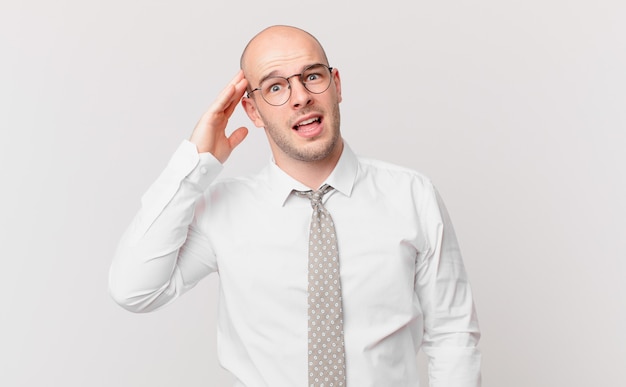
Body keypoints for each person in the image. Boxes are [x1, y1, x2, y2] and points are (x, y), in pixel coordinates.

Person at [109, 25, 481, 387]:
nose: (300, 96)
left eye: (312, 77)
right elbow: (134, 290)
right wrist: (194, 165)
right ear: (253, 112)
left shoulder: (411, 195)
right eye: (275, 87)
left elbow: (452, 335)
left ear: (336, 85)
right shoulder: (223, 210)